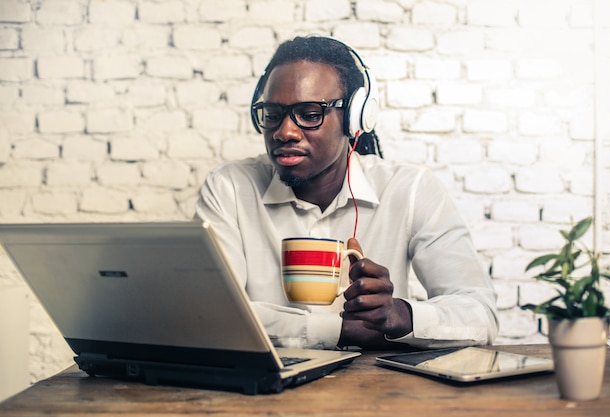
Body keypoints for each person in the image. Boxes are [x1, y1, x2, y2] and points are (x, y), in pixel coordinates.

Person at [195, 36, 498, 350]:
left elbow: (480, 315)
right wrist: (340, 330)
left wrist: (400, 315)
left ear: (356, 118)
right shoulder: (230, 187)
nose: (284, 132)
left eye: (311, 113)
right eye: (272, 114)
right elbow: (211, 314)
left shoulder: (409, 190)